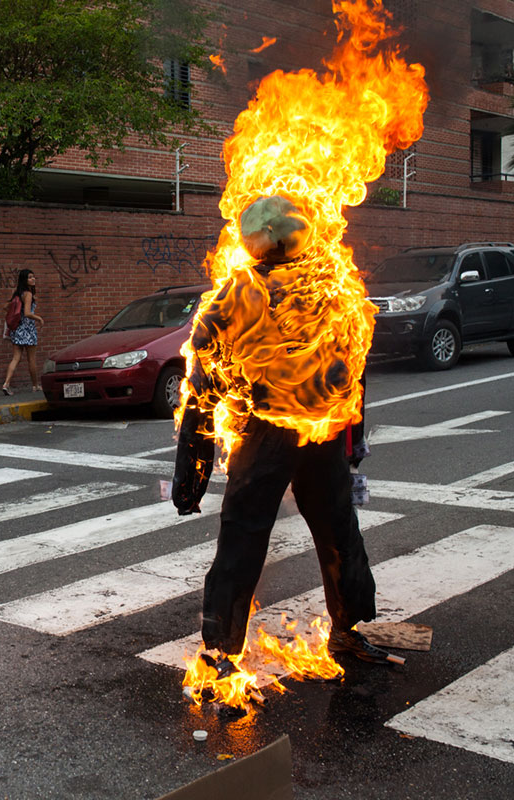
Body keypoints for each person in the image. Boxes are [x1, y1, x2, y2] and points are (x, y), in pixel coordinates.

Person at [173, 195, 392, 679]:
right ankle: (221, 649)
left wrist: (352, 435)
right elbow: (202, 352)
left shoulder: (329, 284)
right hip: (268, 427)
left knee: (337, 531)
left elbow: (351, 363)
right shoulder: (243, 286)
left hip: (321, 430)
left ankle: (346, 629)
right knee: (244, 535)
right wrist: (198, 442)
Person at [1, 269, 44, 395]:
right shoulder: (28, 294)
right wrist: (39, 318)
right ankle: (35, 385)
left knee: (16, 358)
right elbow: (27, 313)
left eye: (33, 276)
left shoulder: (17, 294)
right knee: (31, 359)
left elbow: (5, 307)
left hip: (17, 329)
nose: (33, 279)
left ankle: (6, 384)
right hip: (28, 330)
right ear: (25, 280)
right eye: (30, 277)